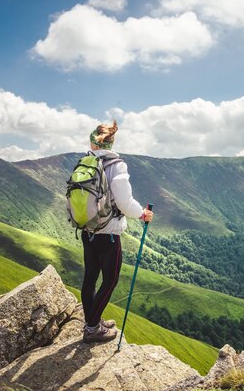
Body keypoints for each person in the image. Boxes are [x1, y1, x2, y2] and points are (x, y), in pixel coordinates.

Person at [81, 120, 154, 343]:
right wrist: (142, 213)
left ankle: (93, 322)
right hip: (109, 234)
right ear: (111, 143)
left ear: (92, 143)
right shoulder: (116, 165)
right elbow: (124, 202)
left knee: (90, 277)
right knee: (110, 280)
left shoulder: (85, 163)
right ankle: (93, 329)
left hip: (87, 230)